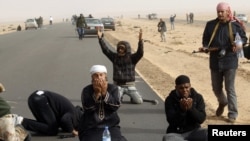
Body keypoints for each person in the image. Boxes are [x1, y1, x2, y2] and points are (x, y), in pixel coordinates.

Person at [199, 2, 248, 123]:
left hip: (230, 60)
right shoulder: (210, 25)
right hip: (215, 61)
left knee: (230, 88)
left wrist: (238, 44)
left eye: (222, 12)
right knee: (216, 88)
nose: (220, 14)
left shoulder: (235, 25)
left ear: (228, 12)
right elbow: (205, 39)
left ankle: (232, 113)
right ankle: (222, 102)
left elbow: (244, 38)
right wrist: (205, 47)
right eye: (218, 12)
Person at [78, 65, 127, 141]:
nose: (99, 78)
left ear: (105, 76)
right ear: (92, 78)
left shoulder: (114, 88)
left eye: (101, 75)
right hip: (91, 127)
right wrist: (97, 94)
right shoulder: (87, 90)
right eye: (96, 75)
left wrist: (104, 93)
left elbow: (115, 106)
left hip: (111, 126)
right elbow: (87, 108)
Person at [97, 28, 144, 104]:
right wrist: (100, 39)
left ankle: (133, 97)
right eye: (119, 48)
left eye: (122, 48)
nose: (120, 50)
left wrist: (140, 41)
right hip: (118, 85)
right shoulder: (114, 57)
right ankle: (119, 96)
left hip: (130, 85)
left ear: (127, 49)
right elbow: (106, 50)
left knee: (139, 102)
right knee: (116, 101)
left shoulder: (132, 58)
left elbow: (140, 53)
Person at [162, 75, 207, 141]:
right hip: (176, 133)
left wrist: (191, 109)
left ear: (190, 86)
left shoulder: (198, 97)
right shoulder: (170, 100)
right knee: (167, 138)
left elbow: (201, 119)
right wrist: (182, 110)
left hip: (194, 131)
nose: (184, 90)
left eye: (186, 87)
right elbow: (171, 121)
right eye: (181, 88)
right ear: (176, 88)